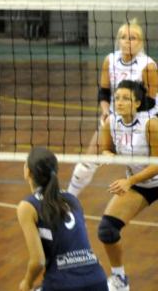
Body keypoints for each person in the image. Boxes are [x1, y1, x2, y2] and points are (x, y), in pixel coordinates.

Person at [68, 19, 158, 196]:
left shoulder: (148, 65)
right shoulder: (110, 60)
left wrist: (126, 114)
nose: (127, 41)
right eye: (123, 37)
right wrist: (105, 111)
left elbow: (151, 100)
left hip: (146, 119)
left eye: (133, 38)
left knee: (149, 167)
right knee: (88, 161)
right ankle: (68, 199)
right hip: (117, 118)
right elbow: (104, 92)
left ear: (141, 42)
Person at [95, 80, 158, 291]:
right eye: (116, 98)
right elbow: (107, 148)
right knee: (107, 230)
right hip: (141, 185)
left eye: (125, 98)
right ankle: (120, 279)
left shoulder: (150, 124)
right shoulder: (111, 122)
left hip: (140, 179)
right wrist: (107, 155)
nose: (119, 102)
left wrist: (129, 181)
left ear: (137, 103)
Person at [17, 146, 108, 291]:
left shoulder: (27, 207)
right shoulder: (72, 199)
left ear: (28, 171)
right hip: (98, 280)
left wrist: (26, 283)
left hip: (62, 284)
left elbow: (38, 261)